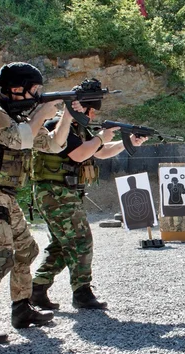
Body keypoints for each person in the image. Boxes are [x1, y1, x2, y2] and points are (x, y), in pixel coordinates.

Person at [0, 62, 85, 346]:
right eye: (34, 90)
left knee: (27, 249)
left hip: (1, 194)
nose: (37, 96)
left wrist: (66, 116)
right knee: (2, 254)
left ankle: (22, 309)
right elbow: (19, 140)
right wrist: (42, 114)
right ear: (16, 89)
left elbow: (55, 145)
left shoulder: (19, 115)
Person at [30, 80, 147, 311]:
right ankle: (82, 292)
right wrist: (102, 136)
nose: (92, 115)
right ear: (84, 108)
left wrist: (128, 142)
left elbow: (101, 152)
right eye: (91, 110)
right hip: (54, 191)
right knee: (81, 240)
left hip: (62, 192)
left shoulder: (78, 129)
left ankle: (37, 289)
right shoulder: (59, 125)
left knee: (63, 245)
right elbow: (79, 154)